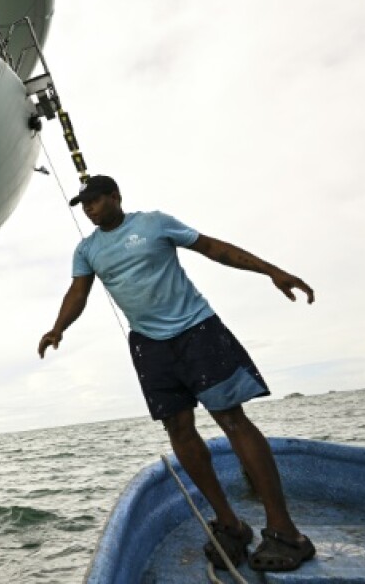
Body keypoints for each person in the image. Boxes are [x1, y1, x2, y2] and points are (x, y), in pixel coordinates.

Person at [38, 175, 317, 573]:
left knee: (232, 421)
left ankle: (285, 531)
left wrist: (272, 271)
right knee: (179, 431)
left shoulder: (153, 223)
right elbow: (78, 293)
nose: (90, 208)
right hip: (149, 346)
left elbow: (213, 249)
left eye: (96, 200)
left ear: (116, 197)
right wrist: (58, 327)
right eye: (85, 204)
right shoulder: (87, 250)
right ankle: (230, 524)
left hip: (197, 331)